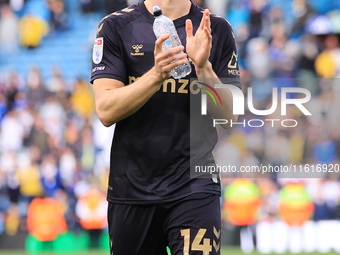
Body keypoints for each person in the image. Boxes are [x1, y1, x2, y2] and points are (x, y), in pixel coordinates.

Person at [91, 0, 241, 254]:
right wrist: (157, 74)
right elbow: (106, 110)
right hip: (131, 187)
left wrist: (203, 67)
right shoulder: (115, 26)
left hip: (195, 184)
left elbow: (229, 116)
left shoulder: (216, 28)